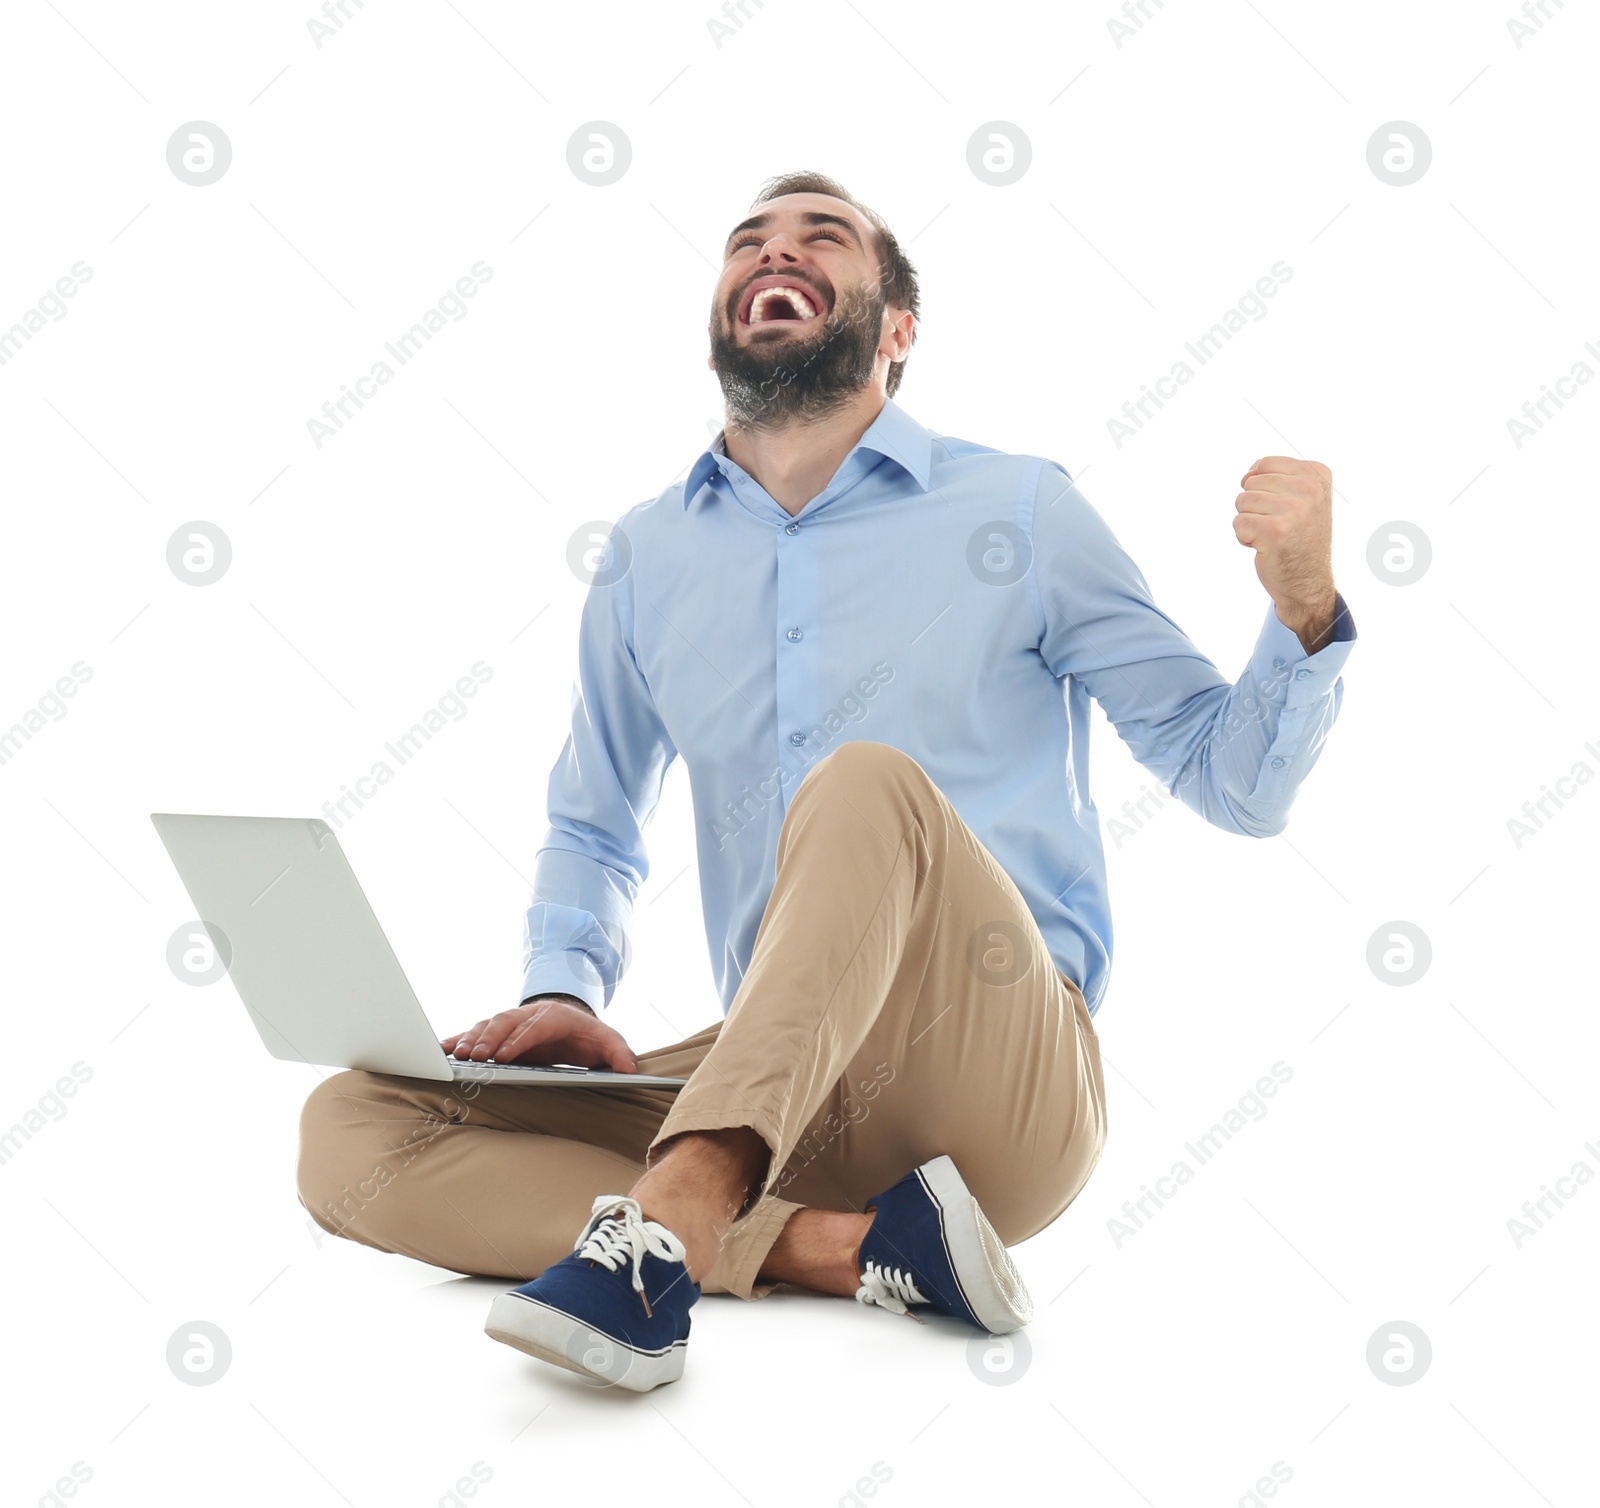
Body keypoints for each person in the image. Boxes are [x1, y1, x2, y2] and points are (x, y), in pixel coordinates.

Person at [297, 170, 1357, 1392]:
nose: (772, 249)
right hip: (780, 1091)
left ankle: (674, 1229)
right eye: (747, 238)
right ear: (721, 312)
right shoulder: (648, 556)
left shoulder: (1019, 510)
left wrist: (1303, 610)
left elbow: (1234, 783)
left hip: (994, 1079)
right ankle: (844, 1250)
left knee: (863, 781)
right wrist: (561, 986)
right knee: (353, 1126)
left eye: (821, 236)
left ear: (896, 329)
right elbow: (593, 820)